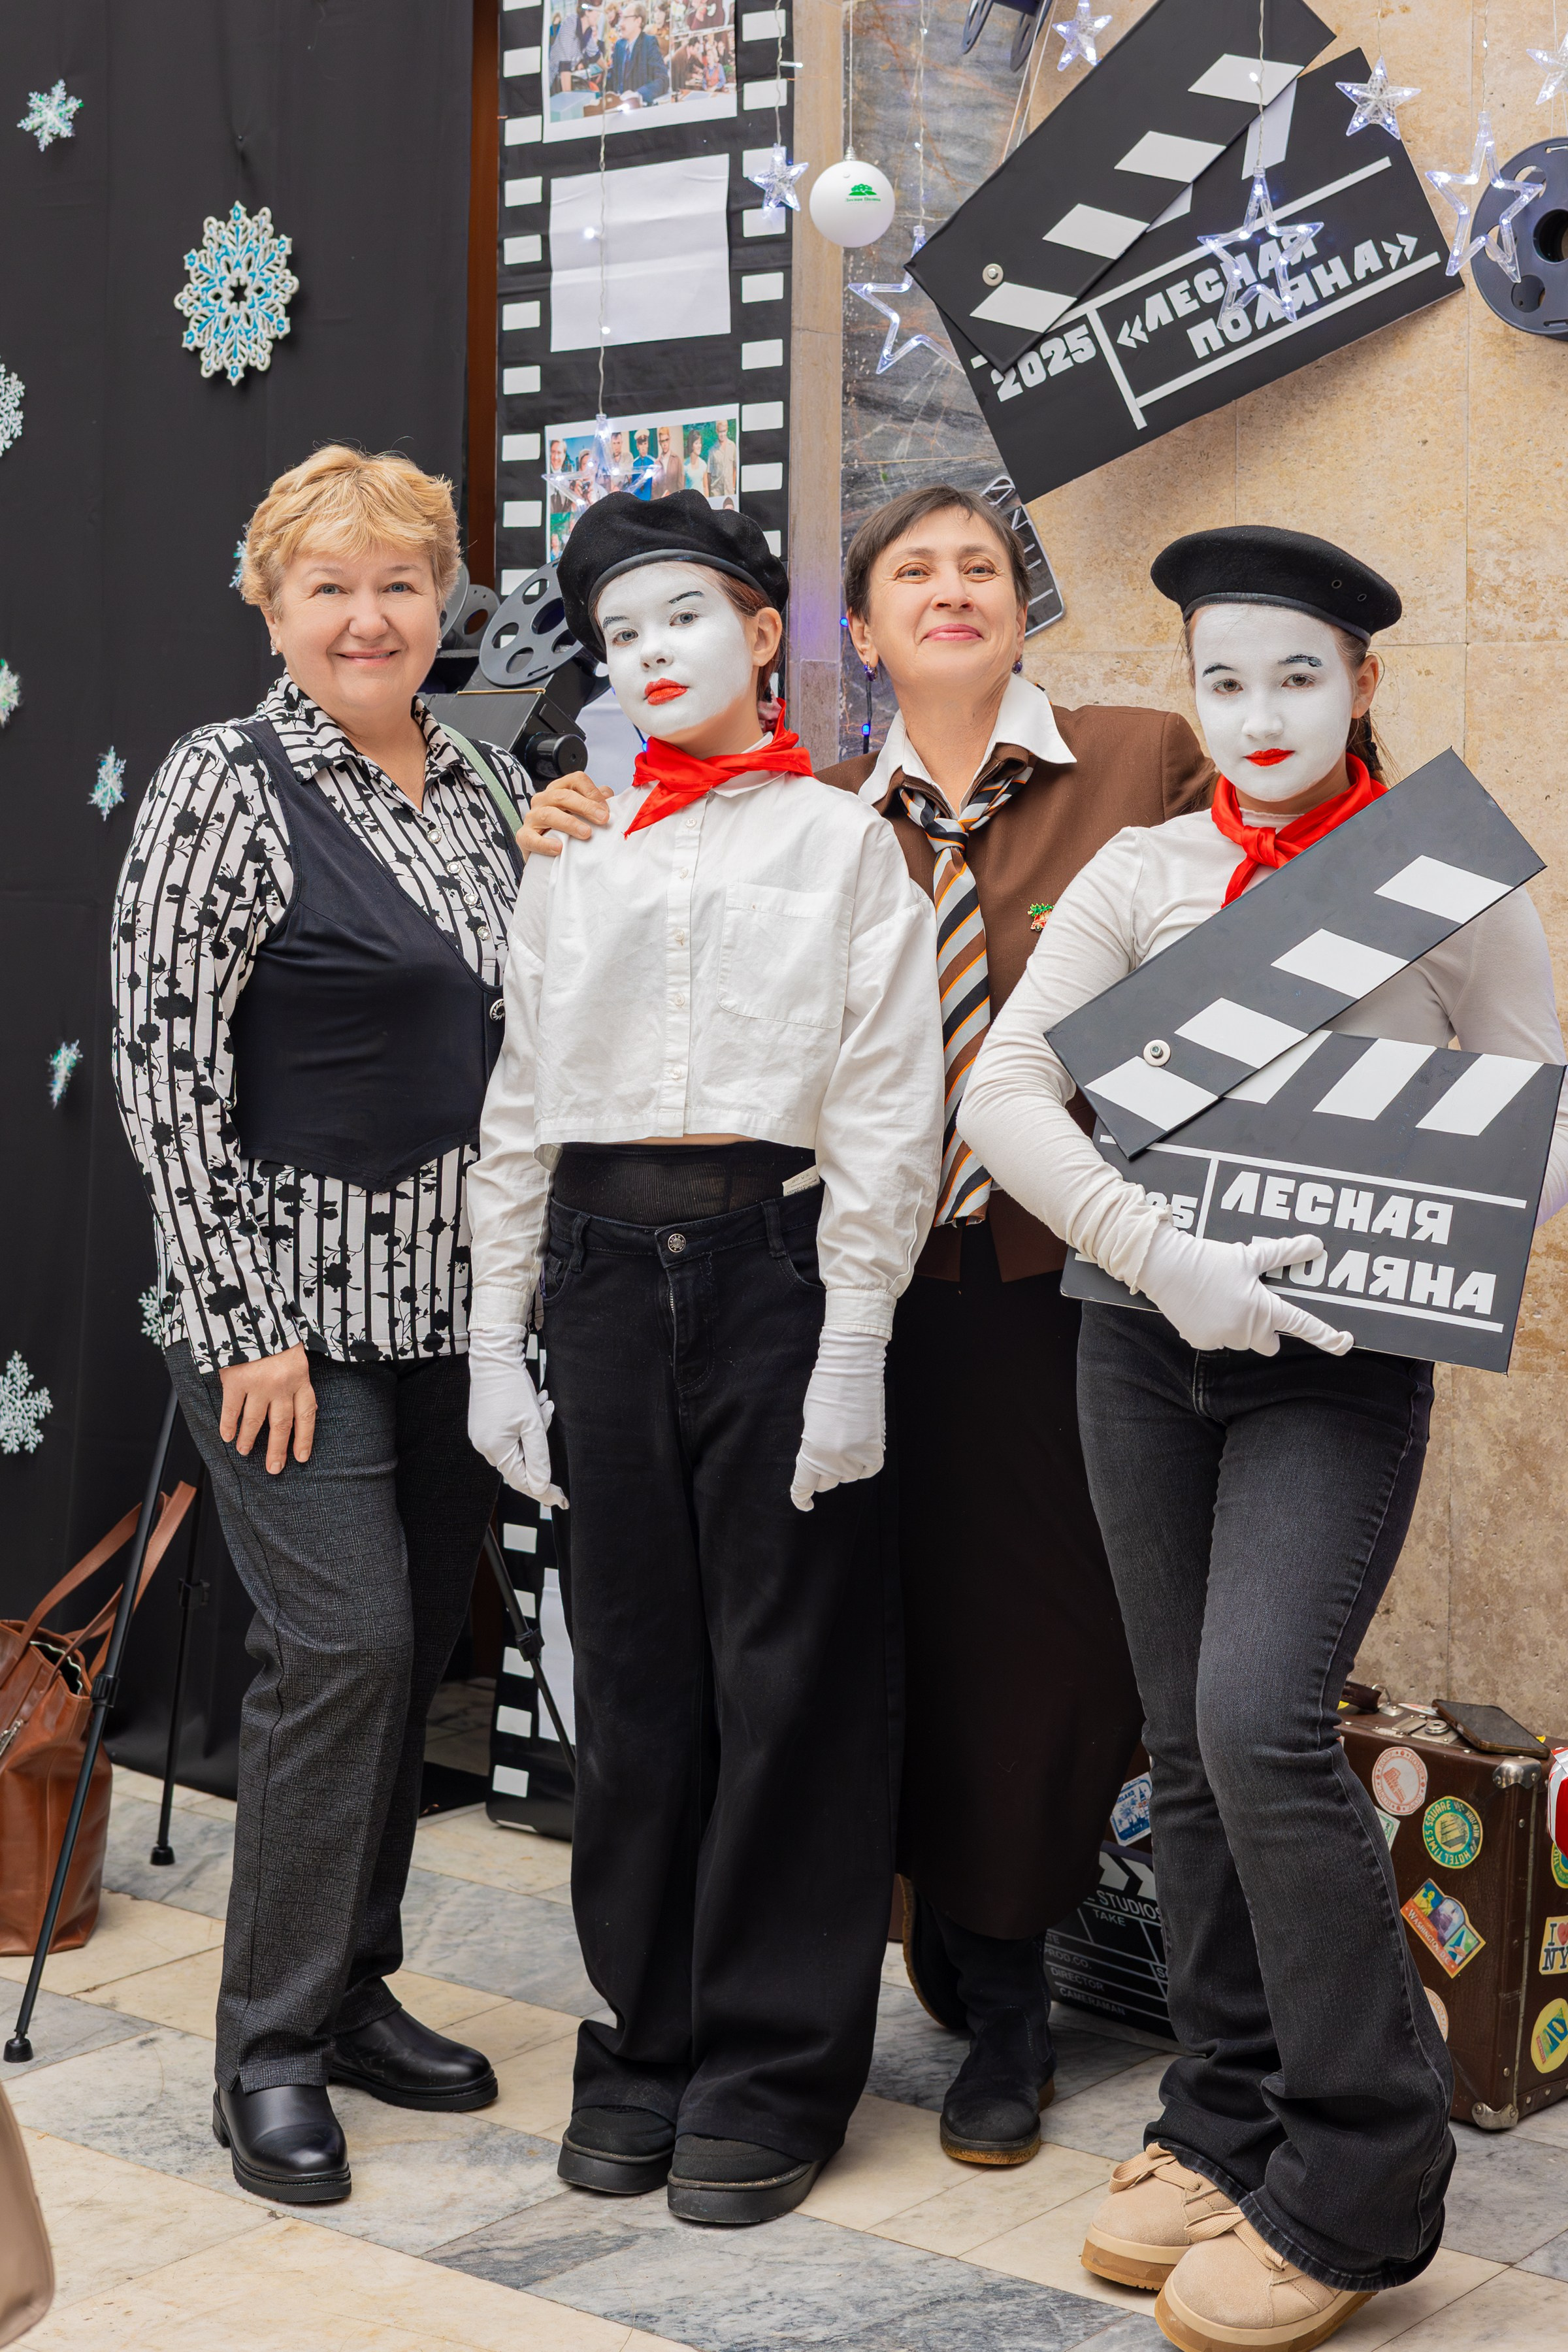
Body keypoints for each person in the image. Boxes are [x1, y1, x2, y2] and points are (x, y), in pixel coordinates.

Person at [513, 483, 1213, 2172]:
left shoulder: (1135, 763)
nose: (952, 591)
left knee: (1021, 1645)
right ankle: (829, 1990)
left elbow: (1242, 917)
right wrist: (565, 816)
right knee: (793, 1652)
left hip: (1043, 1277)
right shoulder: (811, 808)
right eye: (915, 571)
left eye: (982, 565)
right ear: (857, 629)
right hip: (821, 1285)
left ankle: (996, 1995)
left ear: (1024, 603)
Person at [958, 525, 1568, 2352]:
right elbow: (1007, 1085)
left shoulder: (1444, 882)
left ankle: (1363, 2178)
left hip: (1342, 1359)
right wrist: (1166, 1255)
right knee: (1188, 1744)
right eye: (1225, 680)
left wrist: (1472, 1198)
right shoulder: (1144, 871)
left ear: (1364, 685)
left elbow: (1536, 1107)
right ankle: (1219, 2115)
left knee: (1257, 1719)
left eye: (1299, 675)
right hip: (1142, 1348)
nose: (1261, 712)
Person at [465, 491, 943, 2227]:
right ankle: (643, 2037)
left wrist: (857, 1338)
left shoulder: (842, 845)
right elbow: (519, 1110)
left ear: (759, 634)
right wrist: (491, 1346)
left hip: (776, 1260)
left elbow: (895, 1102)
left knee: (787, 1673)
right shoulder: (571, 846)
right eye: (620, 636)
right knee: (639, 1676)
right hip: (596, 1270)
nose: (651, 654)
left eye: (683, 618)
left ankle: (771, 2060)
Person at [110, 447, 534, 2208]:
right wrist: (241, 1324)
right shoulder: (223, 783)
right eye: (331, 587)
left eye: (402, 584)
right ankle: (268, 2050)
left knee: (411, 1655)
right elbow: (163, 1073)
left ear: (446, 603)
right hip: (281, 1321)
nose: (371, 618)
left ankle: (356, 1992)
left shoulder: (491, 786)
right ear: (271, 607)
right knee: (346, 1648)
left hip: (456, 1318)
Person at [604, 6, 668, 105]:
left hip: (639, 110)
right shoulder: (619, 46)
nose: (620, 24)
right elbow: (613, 79)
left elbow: (662, 80)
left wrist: (637, 95)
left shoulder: (648, 43)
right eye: (621, 18)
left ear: (638, 21)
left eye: (625, 18)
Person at [706, 415, 738, 505]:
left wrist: (734, 486)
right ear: (717, 431)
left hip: (730, 491)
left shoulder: (732, 446)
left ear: (727, 430)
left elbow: (735, 468)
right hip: (716, 492)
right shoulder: (712, 450)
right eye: (720, 432)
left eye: (724, 431)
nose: (722, 434)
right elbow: (709, 474)